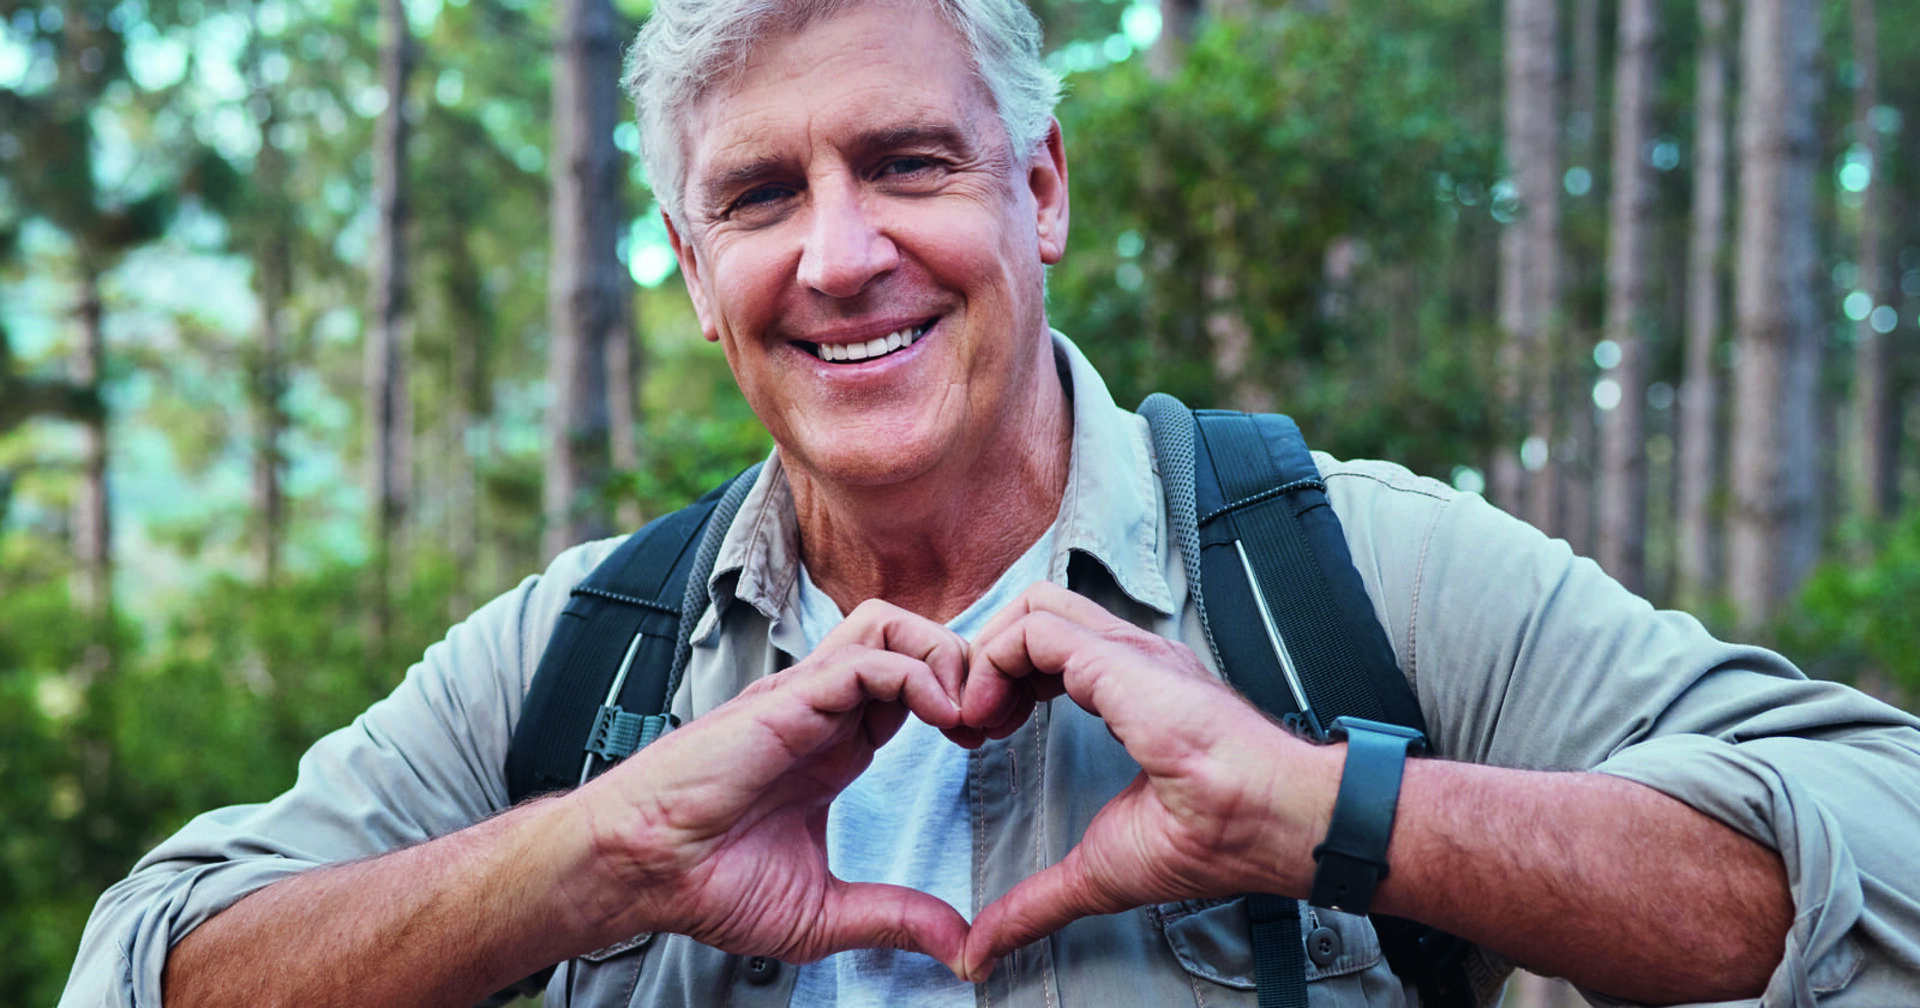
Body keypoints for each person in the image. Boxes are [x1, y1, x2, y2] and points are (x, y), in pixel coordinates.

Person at [61, 0, 1920, 1003]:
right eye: (763, 197)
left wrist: (1321, 811)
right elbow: (149, 966)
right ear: (694, 271)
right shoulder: (578, 656)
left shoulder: (1347, 571)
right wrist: (594, 856)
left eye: (909, 161)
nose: (844, 253)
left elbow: (1881, 853)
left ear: (1039, 191)